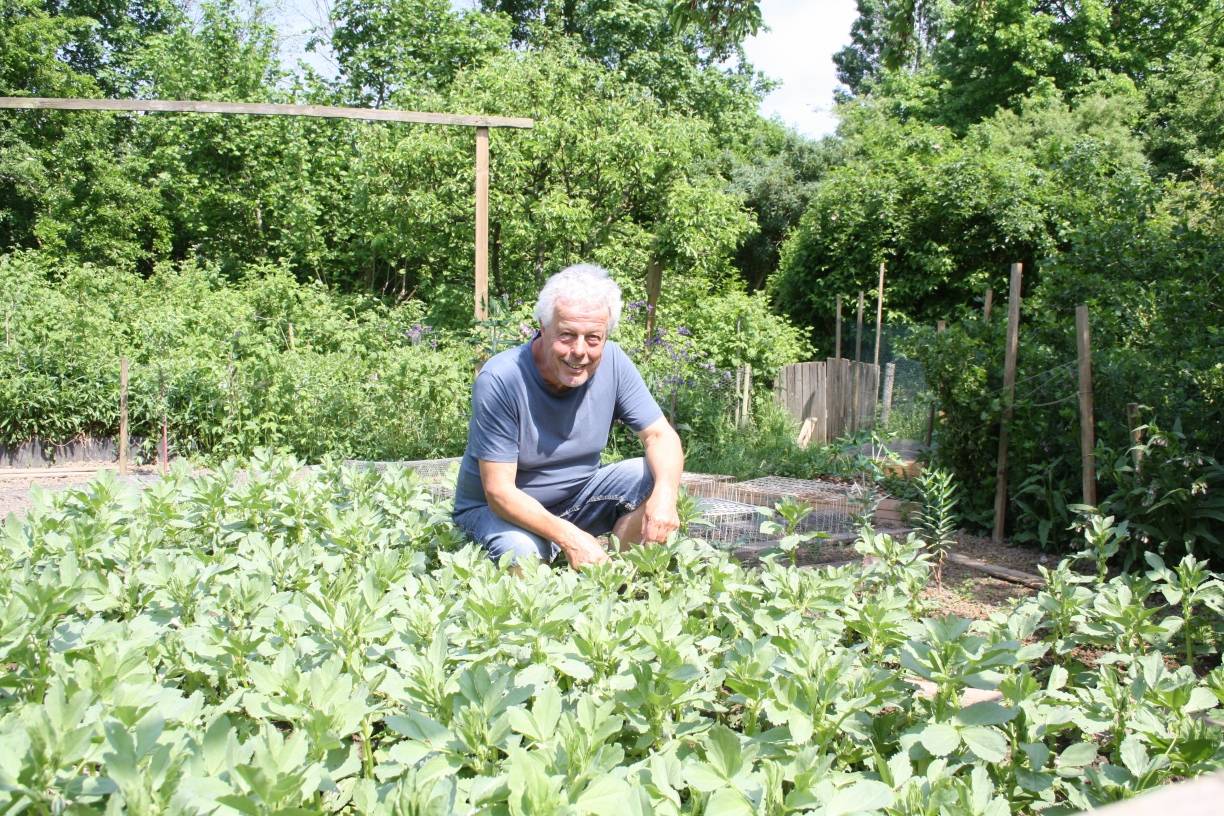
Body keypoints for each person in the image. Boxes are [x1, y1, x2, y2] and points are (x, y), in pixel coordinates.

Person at [452, 263, 683, 569]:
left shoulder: (614, 362)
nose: (579, 351)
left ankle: (617, 581)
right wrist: (572, 538)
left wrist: (665, 496)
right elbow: (499, 492)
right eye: (567, 335)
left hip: (578, 498)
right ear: (543, 328)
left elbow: (660, 435)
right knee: (522, 553)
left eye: (593, 338)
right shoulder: (503, 379)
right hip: (499, 511)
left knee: (654, 474)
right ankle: (546, 587)